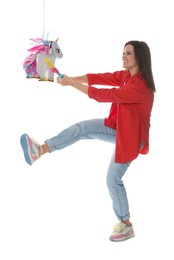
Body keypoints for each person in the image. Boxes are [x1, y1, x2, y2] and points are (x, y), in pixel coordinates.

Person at [20, 40, 156, 242]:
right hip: (119, 128)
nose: (123, 56)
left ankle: (126, 225)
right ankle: (40, 150)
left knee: (112, 180)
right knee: (82, 129)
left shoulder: (140, 86)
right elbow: (102, 78)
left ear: (139, 58)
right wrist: (71, 78)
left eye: (128, 53)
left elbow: (104, 95)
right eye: (123, 52)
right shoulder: (127, 76)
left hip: (132, 138)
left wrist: (73, 84)